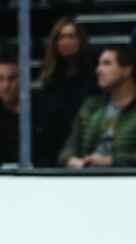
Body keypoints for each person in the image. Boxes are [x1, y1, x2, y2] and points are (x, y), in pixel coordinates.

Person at [58, 46, 136, 169]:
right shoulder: (91, 105)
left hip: (130, 177)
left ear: (127, 70)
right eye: (99, 64)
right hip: (87, 175)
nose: (98, 70)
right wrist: (72, 161)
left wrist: (111, 162)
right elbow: (68, 149)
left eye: (107, 64)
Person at [35, 17, 99, 167]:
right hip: (55, 144)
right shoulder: (49, 77)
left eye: (71, 36)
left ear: (80, 40)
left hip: (84, 143)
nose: (66, 42)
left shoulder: (94, 72)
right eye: (61, 37)